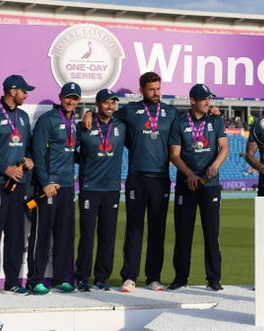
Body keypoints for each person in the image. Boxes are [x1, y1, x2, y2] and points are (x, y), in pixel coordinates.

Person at [83, 71, 179, 292]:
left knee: (158, 230)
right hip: (137, 177)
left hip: (161, 178)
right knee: (134, 229)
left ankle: (153, 277)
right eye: (151, 89)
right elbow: (105, 114)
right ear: (142, 90)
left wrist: (212, 112)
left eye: (158, 89)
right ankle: (129, 276)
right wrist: (89, 112)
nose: (156, 93)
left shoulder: (171, 112)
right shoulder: (130, 110)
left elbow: (191, 120)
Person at [167, 84, 228, 291]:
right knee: (183, 233)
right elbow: (174, 154)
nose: (207, 102)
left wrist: (215, 165)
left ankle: (213, 279)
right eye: (203, 98)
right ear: (192, 100)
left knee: (212, 233)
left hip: (210, 185)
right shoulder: (180, 122)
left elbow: (224, 147)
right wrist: (189, 174)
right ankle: (180, 278)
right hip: (187, 184)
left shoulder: (216, 119)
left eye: (209, 98)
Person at [0, 75, 35, 297]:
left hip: (19, 186)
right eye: (24, 91)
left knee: (16, 235)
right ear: (12, 91)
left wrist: (28, 160)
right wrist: (6, 169)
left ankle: (13, 282)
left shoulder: (22, 117)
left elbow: (27, 147)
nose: (26, 94)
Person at [28, 82, 82, 295]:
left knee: (64, 235)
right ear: (60, 97)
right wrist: (45, 183)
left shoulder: (73, 122)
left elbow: (70, 152)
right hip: (48, 187)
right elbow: (38, 153)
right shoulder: (47, 120)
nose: (71, 101)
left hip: (68, 186)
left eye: (75, 98)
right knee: (41, 234)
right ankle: (35, 279)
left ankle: (60, 278)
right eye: (68, 97)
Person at [74, 89, 126, 292]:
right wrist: (85, 161)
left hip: (112, 189)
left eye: (113, 103)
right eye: (106, 103)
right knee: (87, 235)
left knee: (108, 236)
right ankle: (83, 278)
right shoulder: (84, 125)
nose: (110, 106)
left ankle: (101, 278)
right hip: (90, 188)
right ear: (97, 104)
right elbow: (69, 150)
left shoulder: (121, 125)